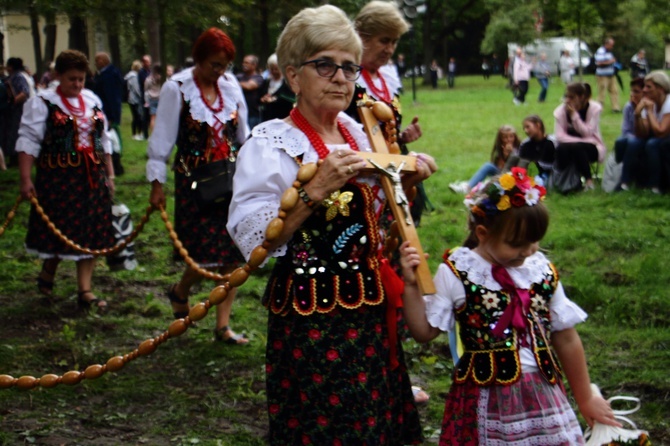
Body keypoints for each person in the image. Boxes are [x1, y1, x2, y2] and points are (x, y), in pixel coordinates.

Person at [227, 5, 436, 443]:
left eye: (349, 66)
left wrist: (407, 179)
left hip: (371, 308)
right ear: (293, 75)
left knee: (375, 419)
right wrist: (311, 191)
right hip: (312, 314)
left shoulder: (365, 135)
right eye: (325, 64)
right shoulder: (272, 143)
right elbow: (251, 238)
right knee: (325, 425)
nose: (341, 77)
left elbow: (377, 219)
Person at [399, 168, 621, 445]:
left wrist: (585, 398)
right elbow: (423, 331)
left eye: (534, 241)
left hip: (542, 393)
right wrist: (410, 285)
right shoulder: (458, 271)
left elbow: (565, 337)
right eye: (517, 244)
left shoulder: (541, 271)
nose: (529, 250)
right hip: (482, 396)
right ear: (482, 233)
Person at [147, 28, 250, 344]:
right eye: (214, 65)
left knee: (233, 251)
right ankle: (180, 290)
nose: (219, 72)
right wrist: (156, 183)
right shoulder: (176, 88)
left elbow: (243, 134)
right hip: (194, 179)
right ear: (199, 59)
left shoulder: (231, 87)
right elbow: (162, 138)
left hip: (230, 177)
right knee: (202, 251)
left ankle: (222, 325)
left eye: (224, 65)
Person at [16, 50, 116, 311]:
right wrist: (25, 178)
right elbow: (28, 141)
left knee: (91, 232)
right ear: (58, 76)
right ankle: (49, 268)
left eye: (81, 79)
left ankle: (85, 289)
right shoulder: (43, 102)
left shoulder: (92, 100)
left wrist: (110, 174)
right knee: (60, 230)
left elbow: (103, 140)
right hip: (58, 179)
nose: (77, 84)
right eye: (72, 79)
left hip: (92, 177)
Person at [346, 0, 430, 224]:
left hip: (393, 169)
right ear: (361, 38)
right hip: (362, 172)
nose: (390, 49)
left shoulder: (386, 79)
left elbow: (385, 130)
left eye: (394, 42)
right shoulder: (347, 79)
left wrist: (402, 136)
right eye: (384, 41)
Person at [553, 82, 606, 191]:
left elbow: (587, 132)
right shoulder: (561, 111)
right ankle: (564, 182)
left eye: (571, 97)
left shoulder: (594, 109)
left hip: (592, 148)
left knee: (577, 147)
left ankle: (588, 181)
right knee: (562, 148)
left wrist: (574, 116)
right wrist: (582, 141)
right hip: (571, 146)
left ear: (581, 97)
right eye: (566, 96)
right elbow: (559, 136)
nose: (567, 100)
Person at [449, 124, 521, 194]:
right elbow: (500, 167)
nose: (509, 140)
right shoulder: (500, 149)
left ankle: (476, 185)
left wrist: (511, 155)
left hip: (514, 176)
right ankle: (467, 187)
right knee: (488, 166)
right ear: (501, 139)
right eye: (505, 137)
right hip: (501, 173)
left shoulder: (519, 148)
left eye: (511, 137)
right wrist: (504, 156)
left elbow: (515, 167)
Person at [630, 70, 670, 194]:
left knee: (653, 144)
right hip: (662, 139)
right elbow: (641, 134)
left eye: (649, 87)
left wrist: (650, 112)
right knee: (636, 143)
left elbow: (661, 132)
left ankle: (655, 185)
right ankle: (634, 182)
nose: (644, 90)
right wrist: (637, 114)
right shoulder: (650, 103)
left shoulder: (668, 103)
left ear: (661, 89)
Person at [93, 52, 125, 176]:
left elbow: (111, 96)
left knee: (111, 140)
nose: (95, 63)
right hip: (106, 111)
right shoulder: (105, 74)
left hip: (108, 112)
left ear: (103, 61)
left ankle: (116, 166)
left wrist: (111, 116)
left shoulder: (109, 75)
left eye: (97, 60)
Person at [615, 78, 645, 190]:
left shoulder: (649, 106)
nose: (633, 94)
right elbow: (626, 130)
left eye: (636, 91)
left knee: (632, 143)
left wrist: (638, 111)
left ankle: (625, 181)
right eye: (631, 91)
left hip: (644, 136)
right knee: (620, 141)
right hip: (632, 136)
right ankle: (620, 172)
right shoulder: (628, 106)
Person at [3, 57, 31, 167]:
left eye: (8, 65)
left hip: (18, 110)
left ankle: (15, 159)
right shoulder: (13, 77)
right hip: (13, 110)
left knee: (15, 133)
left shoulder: (18, 77)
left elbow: (24, 92)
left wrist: (14, 101)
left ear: (11, 66)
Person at [518, 114, 557, 181]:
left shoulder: (551, 142)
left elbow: (557, 165)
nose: (526, 131)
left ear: (538, 125)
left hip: (548, 175)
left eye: (528, 127)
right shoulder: (525, 144)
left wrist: (539, 165)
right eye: (524, 128)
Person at [258, 53, 295, 122]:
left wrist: (275, 99)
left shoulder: (287, 83)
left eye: (276, 69)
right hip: (267, 117)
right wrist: (263, 98)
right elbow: (259, 95)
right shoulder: (266, 82)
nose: (274, 71)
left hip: (282, 118)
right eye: (271, 69)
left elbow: (291, 99)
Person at [236, 54, 264, 130]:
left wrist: (234, 83)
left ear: (254, 65)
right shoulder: (239, 76)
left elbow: (249, 86)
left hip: (252, 114)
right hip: (238, 113)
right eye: (243, 62)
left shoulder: (258, 78)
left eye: (247, 63)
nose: (244, 65)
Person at [595, 37, 621, 113]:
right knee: (602, 92)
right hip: (602, 76)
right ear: (606, 44)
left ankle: (615, 108)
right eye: (611, 45)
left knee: (614, 91)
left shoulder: (609, 52)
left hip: (611, 75)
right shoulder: (601, 51)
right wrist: (610, 61)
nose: (612, 47)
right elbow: (599, 63)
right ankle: (599, 108)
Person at [124, 60, 144, 140]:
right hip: (135, 99)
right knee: (138, 117)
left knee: (135, 117)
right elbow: (136, 89)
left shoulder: (130, 76)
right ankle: (137, 133)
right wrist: (141, 96)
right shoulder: (134, 77)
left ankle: (136, 133)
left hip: (131, 98)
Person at [143, 63, 162, 135]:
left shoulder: (149, 79)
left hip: (152, 99)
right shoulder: (163, 78)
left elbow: (146, 89)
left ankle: (153, 134)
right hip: (161, 98)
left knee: (153, 118)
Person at [138, 54, 152, 139]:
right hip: (145, 97)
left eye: (149, 61)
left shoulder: (150, 71)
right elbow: (144, 83)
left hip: (152, 96)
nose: (148, 63)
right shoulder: (141, 72)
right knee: (146, 116)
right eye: (146, 61)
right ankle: (145, 134)